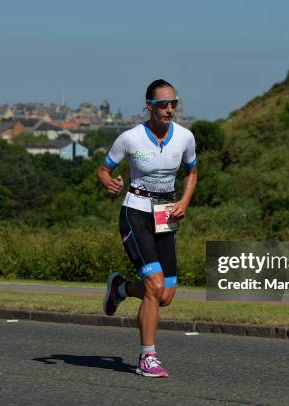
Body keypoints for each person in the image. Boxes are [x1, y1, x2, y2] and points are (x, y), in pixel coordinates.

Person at [97, 79, 197, 378]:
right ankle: (147, 357)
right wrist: (109, 182)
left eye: (173, 103)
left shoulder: (185, 137)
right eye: (162, 104)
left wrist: (185, 201)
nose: (169, 109)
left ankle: (122, 288)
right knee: (154, 286)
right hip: (136, 212)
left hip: (166, 214)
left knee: (165, 295)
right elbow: (104, 170)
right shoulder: (129, 138)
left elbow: (192, 173)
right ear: (148, 107)